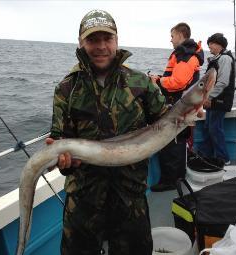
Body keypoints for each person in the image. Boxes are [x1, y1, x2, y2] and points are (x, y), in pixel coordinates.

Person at [46, 10, 169, 255]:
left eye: (107, 38)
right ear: (81, 42)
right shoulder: (66, 89)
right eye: (93, 40)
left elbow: (164, 123)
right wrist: (64, 162)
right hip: (83, 201)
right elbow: (61, 143)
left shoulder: (141, 83)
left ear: (116, 40)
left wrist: (185, 122)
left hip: (131, 197)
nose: (101, 46)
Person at [149, 22, 204, 192]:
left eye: (172, 36)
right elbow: (177, 78)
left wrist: (158, 81)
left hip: (177, 107)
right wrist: (161, 78)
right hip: (180, 107)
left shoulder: (186, 55)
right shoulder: (186, 54)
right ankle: (176, 177)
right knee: (177, 142)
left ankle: (170, 181)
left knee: (172, 144)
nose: (171, 40)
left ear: (180, 35)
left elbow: (178, 83)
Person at [195, 33, 235, 168]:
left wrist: (208, 97)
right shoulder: (215, 59)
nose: (209, 46)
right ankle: (205, 155)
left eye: (211, 43)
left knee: (215, 129)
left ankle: (223, 158)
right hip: (212, 100)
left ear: (219, 45)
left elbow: (223, 82)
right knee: (208, 128)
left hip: (219, 101)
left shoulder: (224, 59)